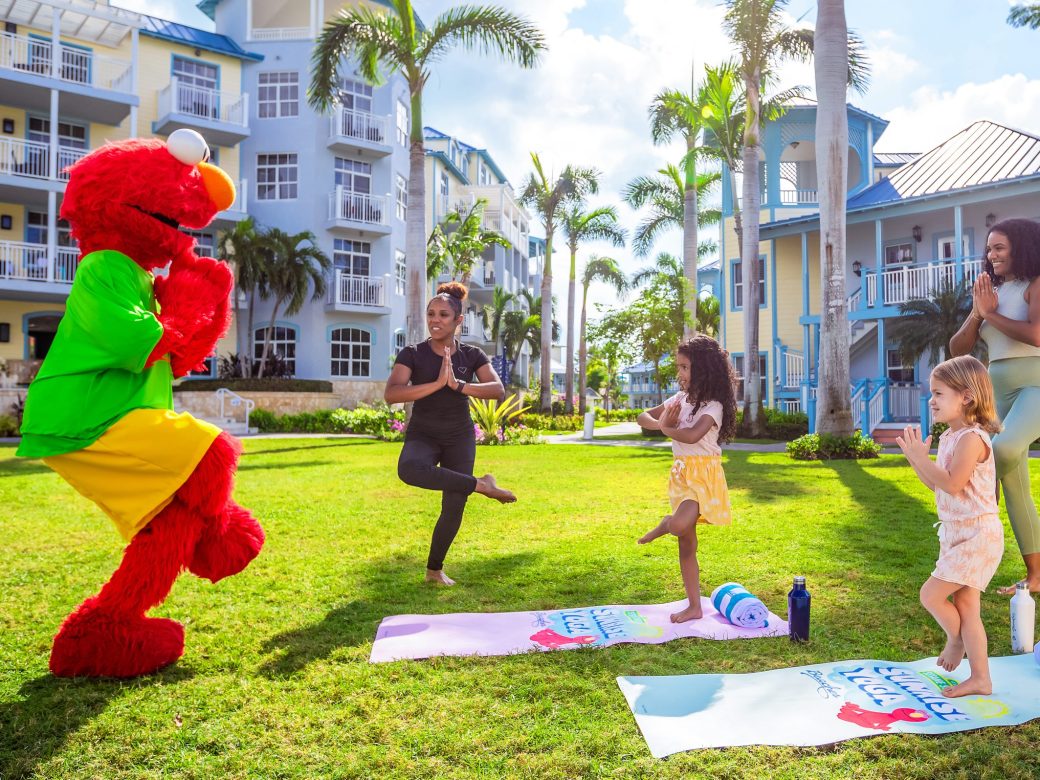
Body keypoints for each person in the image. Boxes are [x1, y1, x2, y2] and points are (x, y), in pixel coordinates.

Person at [385, 282, 516, 586]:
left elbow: (497, 390)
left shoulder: (472, 355)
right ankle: (482, 485)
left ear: (458, 321)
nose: (435, 319)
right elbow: (392, 393)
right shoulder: (412, 354)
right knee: (408, 469)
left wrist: (457, 384)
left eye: (444, 314)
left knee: (454, 503)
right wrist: (435, 384)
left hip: (459, 436)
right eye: (431, 313)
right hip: (424, 434)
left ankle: (434, 570)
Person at [896, 356, 1004, 698]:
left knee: (930, 594)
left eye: (939, 393)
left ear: (967, 397)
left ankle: (956, 640)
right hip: (957, 534)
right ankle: (981, 679)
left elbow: (954, 483)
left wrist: (918, 459)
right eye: (932, 393)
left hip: (978, 535)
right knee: (968, 607)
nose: (932, 400)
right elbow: (938, 485)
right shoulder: (949, 438)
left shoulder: (973, 439)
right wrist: (918, 463)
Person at [950, 218, 1040, 595]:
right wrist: (977, 312)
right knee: (1013, 482)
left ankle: (970, 521)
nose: (992, 254)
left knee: (1000, 450)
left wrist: (991, 315)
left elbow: (1037, 335)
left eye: (999, 247)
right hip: (996, 390)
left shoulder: (1035, 285)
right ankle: (1036, 576)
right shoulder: (990, 292)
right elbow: (958, 350)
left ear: (1020, 247)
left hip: (1035, 383)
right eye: (989, 248)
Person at [635, 334, 735, 623]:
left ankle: (665, 524)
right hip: (681, 475)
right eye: (678, 367)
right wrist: (661, 423)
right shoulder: (680, 399)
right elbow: (642, 417)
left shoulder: (713, 405)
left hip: (704, 478)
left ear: (703, 369)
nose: (679, 373)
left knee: (678, 525)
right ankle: (694, 606)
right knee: (687, 544)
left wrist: (665, 428)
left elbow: (692, 435)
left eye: (684, 367)